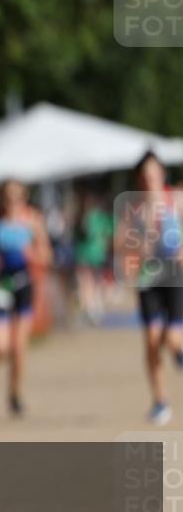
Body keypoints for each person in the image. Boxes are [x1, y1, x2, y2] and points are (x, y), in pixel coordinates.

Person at [115, 151, 183, 425]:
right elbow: (119, 242)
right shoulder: (133, 208)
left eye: (154, 173)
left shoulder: (176, 200)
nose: (150, 179)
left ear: (162, 174)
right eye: (145, 176)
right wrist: (134, 246)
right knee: (152, 341)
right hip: (149, 279)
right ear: (139, 179)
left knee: (172, 339)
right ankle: (160, 401)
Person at [0, 179, 52, 416]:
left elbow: (46, 256)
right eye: (7, 197)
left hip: (23, 284)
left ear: (24, 197)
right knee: (1, 348)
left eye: (17, 196)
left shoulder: (32, 220)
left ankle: (15, 393)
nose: (12, 202)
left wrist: (32, 254)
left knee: (19, 347)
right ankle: (11, 379)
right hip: (0, 284)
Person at [73, 192, 114, 324]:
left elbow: (109, 234)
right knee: (87, 283)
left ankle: (93, 308)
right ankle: (91, 309)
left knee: (93, 283)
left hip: (95, 255)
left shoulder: (98, 218)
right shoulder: (82, 218)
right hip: (85, 255)